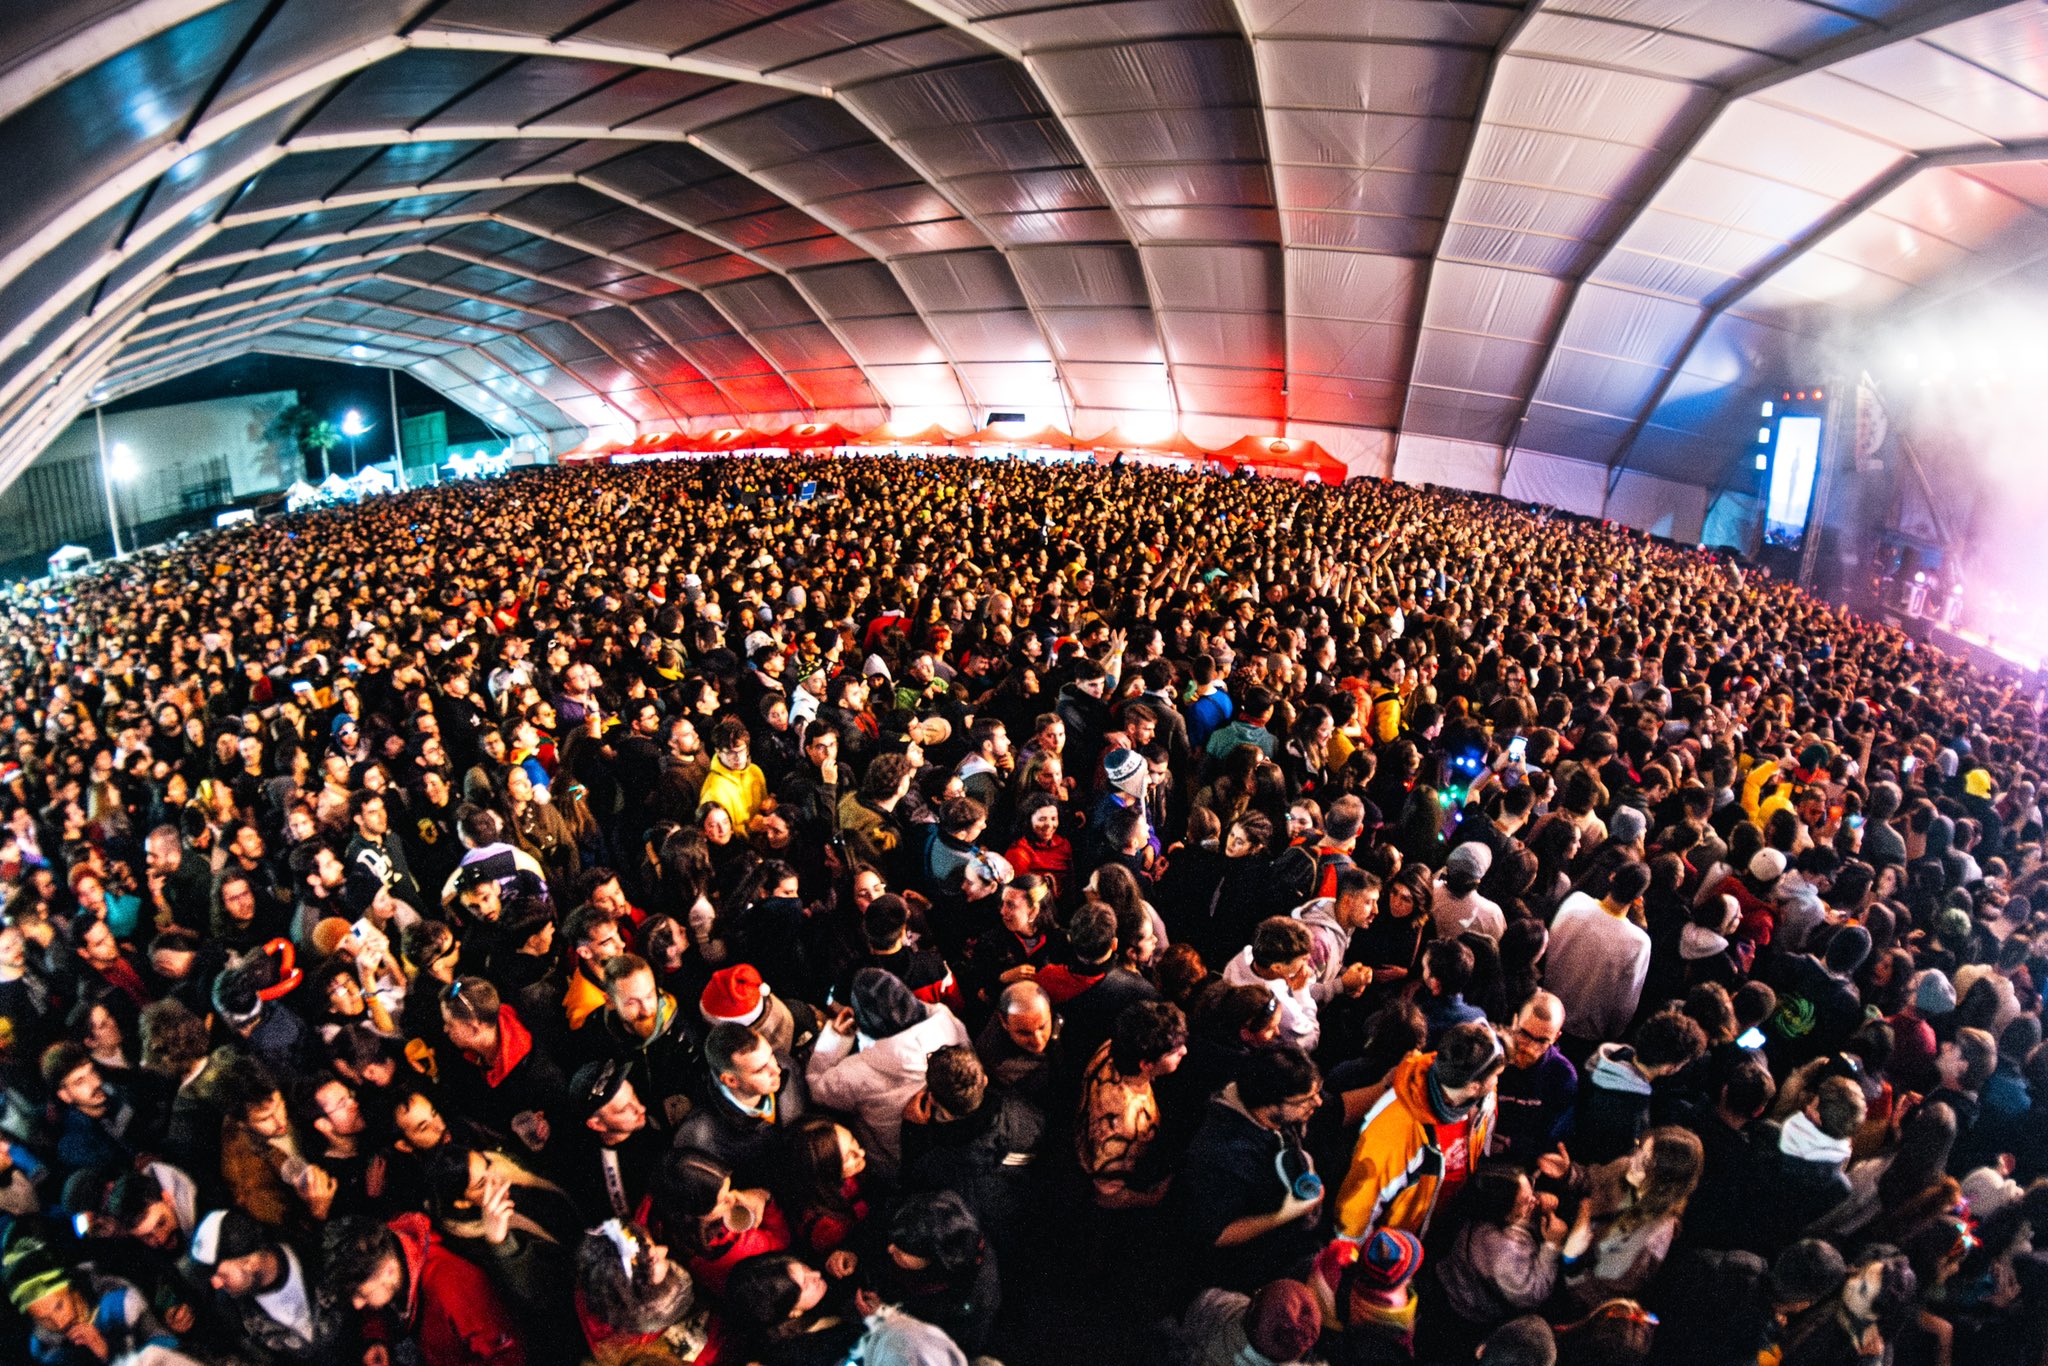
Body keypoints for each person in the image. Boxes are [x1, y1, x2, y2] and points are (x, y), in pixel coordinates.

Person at [1333, 1021, 1505, 1244]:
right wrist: (1356, 1256)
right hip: (1401, 1243)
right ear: (1474, 1086)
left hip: (1443, 1222)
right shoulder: (1395, 1129)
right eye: (1495, 1076)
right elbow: (1357, 1208)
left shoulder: (1483, 1097)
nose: (1497, 1081)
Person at [805, 967, 970, 1177]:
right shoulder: (946, 1021)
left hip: (898, 1164)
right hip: (959, 1146)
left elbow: (816, 1087)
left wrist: (835, 1038)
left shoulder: (855, 1073)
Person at [322, 1212, 526, 1366]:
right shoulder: (382, 1248)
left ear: (389, 1271)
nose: (357, 1305)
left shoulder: (453, 1288)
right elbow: (378, 1297)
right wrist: (377, 1337)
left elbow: (511, 1358)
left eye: (361, 1295)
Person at [1545, 861, 1655, 1054]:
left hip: (1545, 1006)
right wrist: (1613, 1034)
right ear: (1639, 900)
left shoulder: (1576, 901)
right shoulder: (1638, 942)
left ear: (1612, 877)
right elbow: (1625, 1002)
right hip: (1584, 1034)